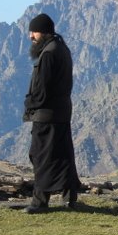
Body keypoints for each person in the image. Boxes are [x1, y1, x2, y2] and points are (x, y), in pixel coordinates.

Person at [23, 13, 81, 213]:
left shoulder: (48, 54)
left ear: (45, 32)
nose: (31, 36)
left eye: (35, 32)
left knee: (41, 156)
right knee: (63, 156)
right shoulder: (61, 48)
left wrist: (30, 103)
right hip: (62, 112)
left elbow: (42, 90)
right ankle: (69, 198)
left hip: (47, 115)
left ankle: (39, 202)